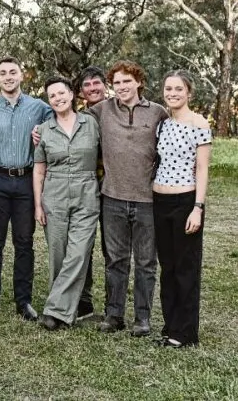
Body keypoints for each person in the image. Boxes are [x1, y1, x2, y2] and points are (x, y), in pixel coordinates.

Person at [89, 60, 167, 336]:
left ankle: (142, 318)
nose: (121, 87)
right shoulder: (102, 110)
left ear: (138, 82)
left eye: (126, 81)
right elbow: (68, 119)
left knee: (146, 262)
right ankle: (114, 315)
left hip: (148, 199)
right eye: (117, 82)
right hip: (112, 197)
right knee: (115, 260)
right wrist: (40, 130)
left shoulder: (158, 112)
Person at [0, 56, 52, 320]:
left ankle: (23, 301)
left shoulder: (40, 108)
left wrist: (43, 133)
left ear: (22, 75)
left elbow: (58, 127)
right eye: (3, 73)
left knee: (24, 241)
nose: (8, 77)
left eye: (13, 72)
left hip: (26, 181)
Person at [33, 76, 101, 330]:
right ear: (49, 102)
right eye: (52, 96)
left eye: (61, 93)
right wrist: (38, 205)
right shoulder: (43, 130)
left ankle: (54, 310)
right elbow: (39, 171)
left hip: (86, 191)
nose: (58, 98)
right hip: (55, 194)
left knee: (78, 252)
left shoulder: (91, 124)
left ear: (72, 95)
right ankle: (63, 310)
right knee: (58, 254)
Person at [152, 70, 211, 347]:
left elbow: (202, 168)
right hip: (159, 202)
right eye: (168, 89)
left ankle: (185, 332)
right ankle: (170, 325)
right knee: (168, 267)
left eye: (178, 89)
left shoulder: (198, 123)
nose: (172, 93)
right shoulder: (162, 124)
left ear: (189, 92)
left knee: (186, 268)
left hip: (185, 202)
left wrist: (197, 208)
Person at [73, 66, 108, 320]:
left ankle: (113, 304)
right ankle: (83, 301)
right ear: (80, 91)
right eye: (87, 84)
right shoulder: (78, 118)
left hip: (114, 188)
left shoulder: (117, 110)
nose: (93, 88)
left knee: (113, 249)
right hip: (86, 187)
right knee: (83, 245)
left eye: (97, 83)